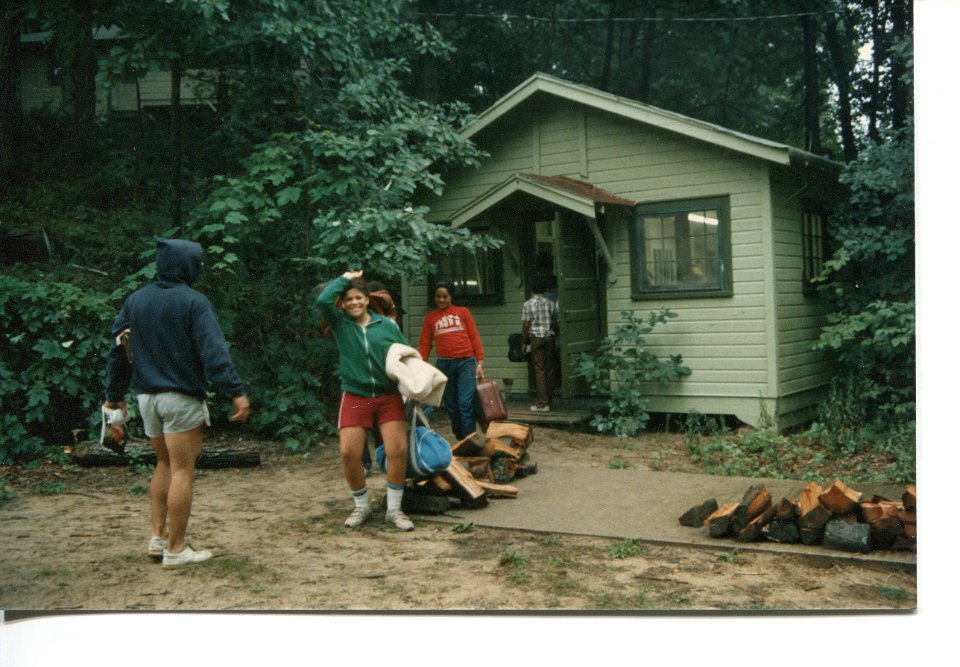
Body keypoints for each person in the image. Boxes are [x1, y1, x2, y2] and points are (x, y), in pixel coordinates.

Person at [104, 238, 251, 569]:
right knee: (183, 469)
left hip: (146, 399)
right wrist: (235, 391)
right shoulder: (194, 302)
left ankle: (157, 537)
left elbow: (118, 352)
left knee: (164, 464)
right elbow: (213, 352)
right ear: (189, 266)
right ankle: (176, 548)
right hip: (181, 397)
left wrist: (114, 396)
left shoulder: (135, 301)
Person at [317, 270, 415, 531]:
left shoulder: (387, 326)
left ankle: (394, 510)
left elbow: (406, 357)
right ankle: (361, 506)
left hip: (387, 396)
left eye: (358, 298)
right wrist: (344, 278)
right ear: (342, 302)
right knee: (349, 453)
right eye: (348, 299)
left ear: (367, 299)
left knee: (397, 451)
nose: (354, 303)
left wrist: (413, 390)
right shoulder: (340, 325)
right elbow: (322, 301)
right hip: (356, 396)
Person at [418, 280, 485, 440]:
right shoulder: (430, 318)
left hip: (466, 363)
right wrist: (421, 365)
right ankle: (460, 437)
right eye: (438, 297)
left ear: (451, 297)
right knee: (451, 406)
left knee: (465, 402)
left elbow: (474, 337)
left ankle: (470, 439)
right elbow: (425, 343)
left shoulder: (462, 312)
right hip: (444, 364)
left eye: (445, 296)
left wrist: (480, 362)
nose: (441, 300)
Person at [521, 274, 560, 412]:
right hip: (549, 337)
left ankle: (542, 403)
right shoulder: (551, 303)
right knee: (549, 369)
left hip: (536, 338)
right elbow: (555, 321)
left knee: (539, 370)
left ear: (532, 289)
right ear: (544, 289)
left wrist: (524, 341)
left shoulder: (528, 304)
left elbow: (526, 324)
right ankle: (549, 401)